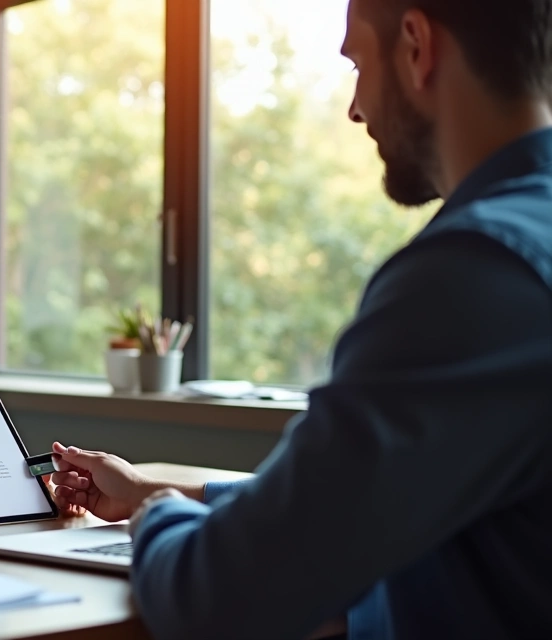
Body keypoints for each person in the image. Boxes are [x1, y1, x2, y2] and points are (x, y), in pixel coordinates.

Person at [51, 1, 552, 638]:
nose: (355, 107)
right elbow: (372, 503)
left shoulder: (474, 273)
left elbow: (219, 598)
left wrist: (153, 516)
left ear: (417, 45)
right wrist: (158, 491)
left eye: (357, 63)